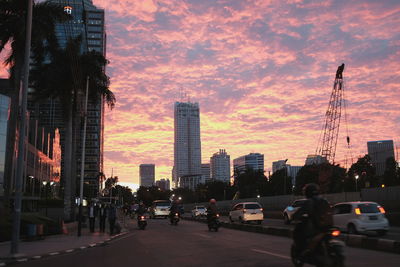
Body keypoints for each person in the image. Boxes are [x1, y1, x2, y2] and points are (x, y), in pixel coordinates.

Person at [292, 183, 333, 254]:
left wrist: (293, 217)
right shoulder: (324, 200)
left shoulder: (309, 202)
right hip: (328, 226)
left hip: (317, 228)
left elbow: (299, 212)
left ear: (307, 193)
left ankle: (306, 251)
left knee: (301, 232)